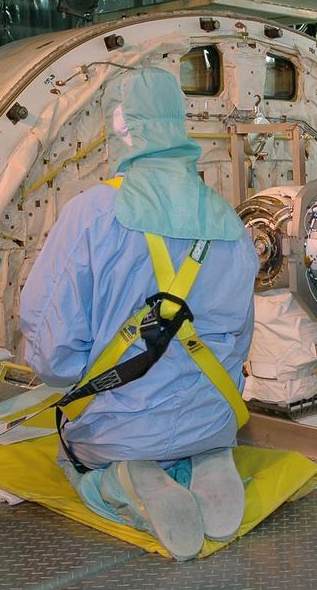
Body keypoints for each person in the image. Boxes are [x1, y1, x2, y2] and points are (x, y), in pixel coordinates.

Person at [19, 67, 258, 561]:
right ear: (179, 124)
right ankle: (209, 460)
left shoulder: (91, 213)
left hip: (117, 430)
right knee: (198, 424)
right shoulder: (229, 219)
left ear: (116, 128)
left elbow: (53, 356)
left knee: (77, 453)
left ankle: (123, 480)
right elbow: (239, 340)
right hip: (213, 416)